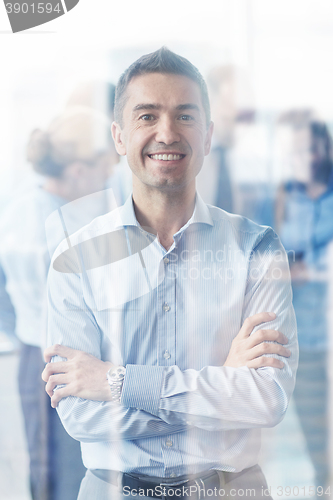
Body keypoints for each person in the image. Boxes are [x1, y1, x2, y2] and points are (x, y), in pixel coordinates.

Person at [42, 48, 298, 500]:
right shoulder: (75, 258)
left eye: (185, 116)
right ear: (119, 137)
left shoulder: (256, 248)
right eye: (147, 116)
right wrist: (221, 383)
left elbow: (265, 398)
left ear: (208, 135)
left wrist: (117, 382)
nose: (167, 133)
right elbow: (81, 415)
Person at [0, 106, 119, 500]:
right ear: (78, 171)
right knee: (71, 474)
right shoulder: (65, 230)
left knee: (45, 469)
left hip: (32, 357)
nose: (109, 180)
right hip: (69, 366)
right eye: (105, 169)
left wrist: (23, 332)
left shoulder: (17, 211)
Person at [276, 114, 333, 490]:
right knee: (314, 427)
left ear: (325, 149)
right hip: (300, 334)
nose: (305, 158)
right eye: (296, 151)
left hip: (328, 328)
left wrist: (308, 268)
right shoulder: (284, 196)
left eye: (310, 148)